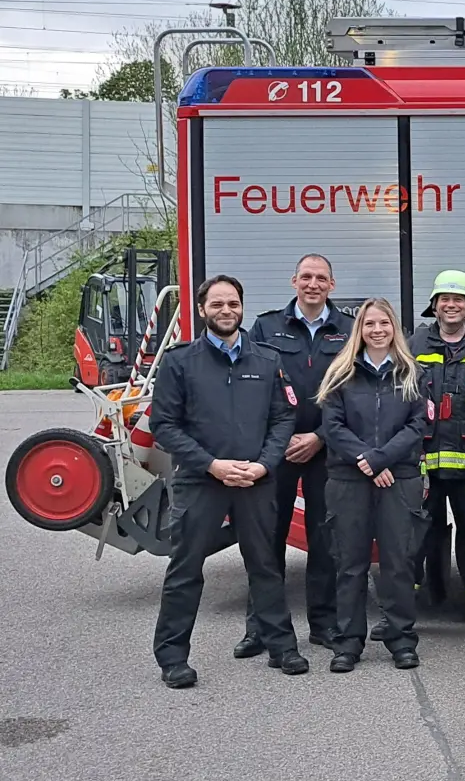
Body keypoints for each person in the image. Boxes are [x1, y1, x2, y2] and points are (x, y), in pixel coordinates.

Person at [150, 274, 308, 687]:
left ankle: (282, 646)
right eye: (217, 304)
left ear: (242, 307)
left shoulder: (267, 360)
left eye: (233, 303)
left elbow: (282, 418)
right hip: (202, 481)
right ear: (202, 310)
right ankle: (173, 658)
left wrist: (263, 466)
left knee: (265, 565)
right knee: (185, 569)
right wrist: (212, 465)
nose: (226, 311)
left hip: (255, 481)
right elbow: (164, 426)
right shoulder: (180, 361)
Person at [237, 253, 351, 657]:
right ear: (294, 281)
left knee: (325, 538)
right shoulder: (266, 327)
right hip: (276, 449)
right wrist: (279, 439)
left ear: (332, 286)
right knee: (266, 538)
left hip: (327, 449)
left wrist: (319, 436)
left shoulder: (348, 330)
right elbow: (250, 387)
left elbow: (352, 394)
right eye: (306, 277)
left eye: (321, 278)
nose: (313, 284)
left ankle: (324, 624)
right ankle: (259, 627)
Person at [317, 297, 428, 672]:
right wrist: (367, 459)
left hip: (399, 479)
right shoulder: (340, 373)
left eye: (384, 323)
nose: (377, 330)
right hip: (349, 480)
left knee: (398, 563)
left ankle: (402, 641)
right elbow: (332, 427)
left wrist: (381, 458)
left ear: (394, 328)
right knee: (349, 564)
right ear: (359, 330)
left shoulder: (411, 372)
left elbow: (418, 425)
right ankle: (347, 643)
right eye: (369, 324)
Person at [409, 271, 465, 638]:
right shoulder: (414, 344)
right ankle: (400, 615)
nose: (451, 304)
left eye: (458, 299)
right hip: (423, 464)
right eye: (444, 298)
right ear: (434, 305)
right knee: (413, 538)